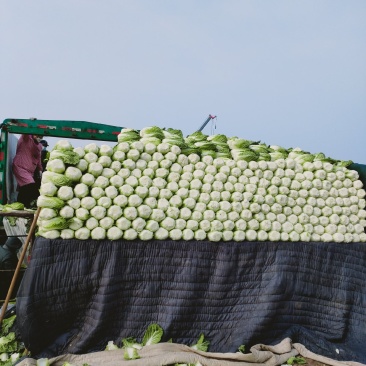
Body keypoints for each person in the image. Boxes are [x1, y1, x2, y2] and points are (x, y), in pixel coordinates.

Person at [12, 134, 43, 208]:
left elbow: (38, 159)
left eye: (41, 136)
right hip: (20, 167)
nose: (39, 137)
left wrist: (40, 169)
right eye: (37, 135)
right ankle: (26, 204)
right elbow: (24, 131)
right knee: (30, 185)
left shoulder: (39, 146)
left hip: (30, 171)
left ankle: (23, 205)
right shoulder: (26, 138)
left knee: (25, 188)